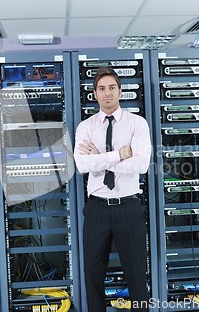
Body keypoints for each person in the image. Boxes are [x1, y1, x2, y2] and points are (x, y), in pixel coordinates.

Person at [74, 67, 152, 312]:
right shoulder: (85, 127)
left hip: (128, 208)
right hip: (96, 209)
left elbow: (142, 164)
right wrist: (118, 155)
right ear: (95, 94)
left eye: (111, 88)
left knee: (137, 274)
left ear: (120, 91)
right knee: (92, 273)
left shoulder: (136, 123)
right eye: (101, 89)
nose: (107, 93)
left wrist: (101, 159)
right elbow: (82, 164)